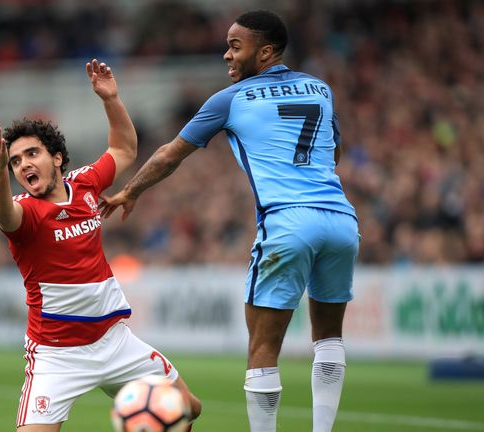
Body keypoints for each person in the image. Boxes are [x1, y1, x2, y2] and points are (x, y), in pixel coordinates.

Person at [100, 11, 359, 432]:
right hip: (341, 220)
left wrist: (131, 191)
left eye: (236, 46)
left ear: (267, 51)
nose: (227, 55)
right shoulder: (320, 88)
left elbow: (169, 154)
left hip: (286, 221)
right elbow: (335, 152)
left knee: (262, 347)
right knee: (328, 338)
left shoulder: (230, 99)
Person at [0, 59, 202, 431]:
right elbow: (3, 214)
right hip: (57, 355)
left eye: (31, 154)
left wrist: (111, 99)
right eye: (15, 162)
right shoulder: (25, 213)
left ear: (56, 157)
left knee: (188, 409)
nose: (23, 166)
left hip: (114, 342)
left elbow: (124, 149)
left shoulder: (85, 183)